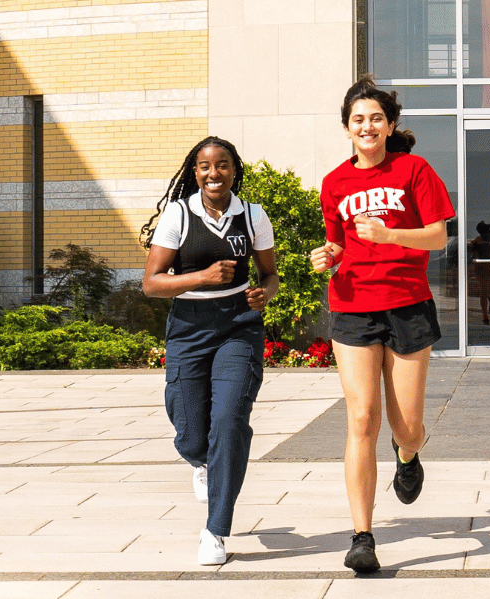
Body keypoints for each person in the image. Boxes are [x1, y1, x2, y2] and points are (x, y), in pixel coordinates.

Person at [309, 75, 455, 574]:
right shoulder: (334, 182)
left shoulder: (414, 170)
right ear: (347, 129)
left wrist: (391, 234)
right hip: (352, 305)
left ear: (390, 125)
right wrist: (327, 255)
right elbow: (338, 244)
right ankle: (362, 535)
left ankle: (408, 456)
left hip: (407, 304)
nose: (367, 126)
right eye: (357, 120)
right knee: (361, 418)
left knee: (407, 426)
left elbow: (438, 238)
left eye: (375, 117)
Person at [140, 136, 280, 566]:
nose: (213, 173)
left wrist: (264, 295)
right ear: (194, 172)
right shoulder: (179, 214)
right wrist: (201, 276)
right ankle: (200, 461)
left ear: (235, 169)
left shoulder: (253, 216)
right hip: (188, 330)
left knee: (230, 421)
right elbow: (151, 283)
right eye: (204, 166)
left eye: (221, 165)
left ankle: (215, 529)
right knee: (191, 432)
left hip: (239, 328)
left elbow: (270, 275)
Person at [469, 220, 490, 324]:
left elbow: (473, 255)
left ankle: (485, 316)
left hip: (481, 268)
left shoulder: (476, 241)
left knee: (483, 291)